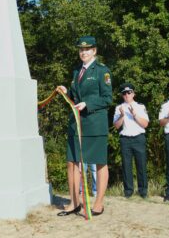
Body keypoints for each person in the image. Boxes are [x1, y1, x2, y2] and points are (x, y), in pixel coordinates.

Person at [57, 36, 112, 216]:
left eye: (87, 49)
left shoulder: (102, 71)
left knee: (99, 163)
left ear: (94, 51)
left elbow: (107, 98)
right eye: (81, 49)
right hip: (77, 123)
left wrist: (87, 103)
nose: (83, 52)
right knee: (72, 162)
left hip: (95, 124)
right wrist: (67, 92)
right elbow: (75, 97)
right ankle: (74, 202)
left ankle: (98, 203)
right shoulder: (76, 72)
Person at [113, 83, 149, 198]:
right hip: (125, 140)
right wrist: (122, 116)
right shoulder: (119, 108)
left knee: (141, 165)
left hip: (139, 138)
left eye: (129, 92)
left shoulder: (140, 106)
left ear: (133, 93)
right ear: (122, 95)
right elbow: (117, 126)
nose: (127, 95)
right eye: (124, 93)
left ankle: (143, 191)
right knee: (126, 166)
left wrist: (135, 115)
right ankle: (128, 191)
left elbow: (145, 124)